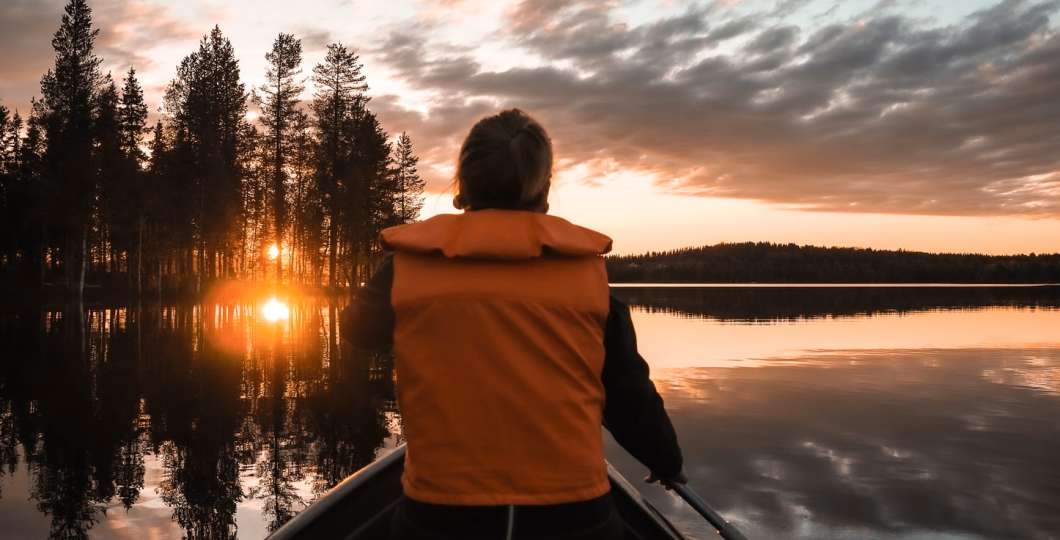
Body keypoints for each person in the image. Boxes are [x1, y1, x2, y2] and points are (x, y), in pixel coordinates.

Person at [342, 109, 685, 540]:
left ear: (462, 186)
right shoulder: (587, 275)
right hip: (574, 516)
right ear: (542, 191)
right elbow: (627, 394)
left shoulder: (406, 266)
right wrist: (666, 460)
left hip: (441, 516)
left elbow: (357, 330)